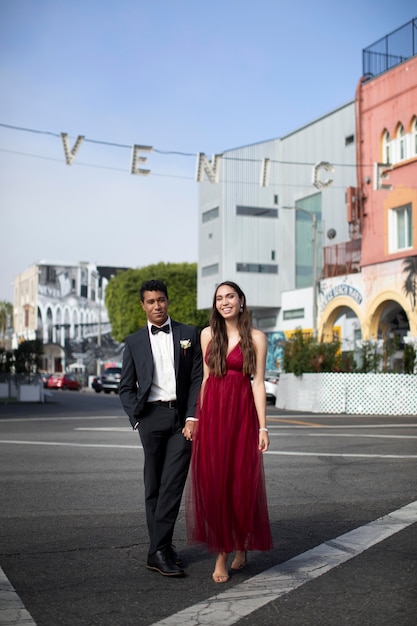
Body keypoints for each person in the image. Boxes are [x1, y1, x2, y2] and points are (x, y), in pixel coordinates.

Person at [186, 280, 273, 583]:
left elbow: (258, 384)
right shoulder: (208, 335)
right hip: (213, 418)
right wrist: (197, 419)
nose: (225, 302)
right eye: (219, 298)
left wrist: (263, 426)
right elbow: (207, 380)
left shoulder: (258, 338)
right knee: (215, 485)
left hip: (242, 419)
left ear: (241, 300)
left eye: (230, 296)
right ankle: (222, 552)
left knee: (240, 486)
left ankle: (240, 545)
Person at [119, 279, 203, 578]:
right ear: (143, 305)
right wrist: (138, 419)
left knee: (172, 485)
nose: (157, 306)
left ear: (168, 301)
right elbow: (126, 387)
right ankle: (162, 548)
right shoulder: (134, 341)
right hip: (151, 417)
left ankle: (156, 551)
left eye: (161, 300)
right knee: (153, 486)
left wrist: (193, 417)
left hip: (181, 419)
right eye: (151, 301)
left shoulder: (188, 334)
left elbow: (197, 379)